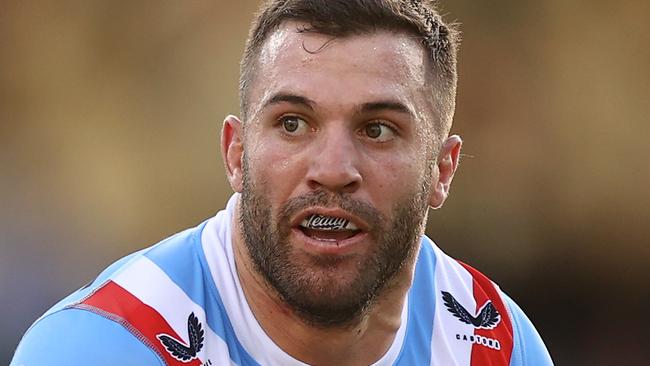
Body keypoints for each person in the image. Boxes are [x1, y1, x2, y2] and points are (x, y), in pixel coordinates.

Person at [11, 0, 553, 365]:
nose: (334, 169)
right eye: (293, 123)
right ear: (236, 153)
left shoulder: (494, 347)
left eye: (378, 129)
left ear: (442, 169)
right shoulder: (103, 347)